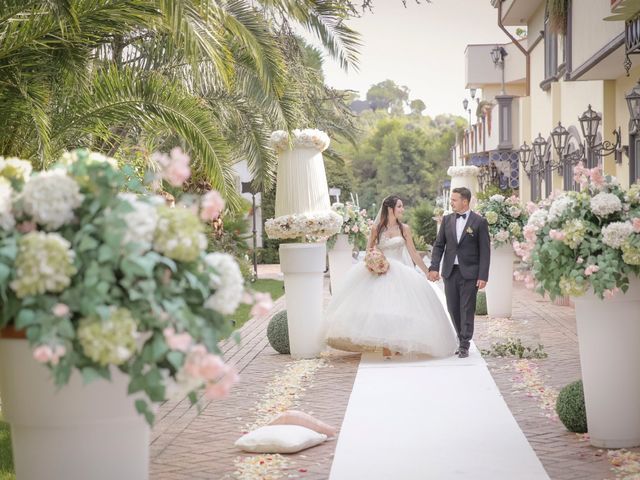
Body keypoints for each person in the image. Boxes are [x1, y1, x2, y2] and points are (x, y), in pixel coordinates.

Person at [324, 195, 457, 358]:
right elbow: (369, 251)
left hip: (400, 272)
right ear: (390, 209)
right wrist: (374, 262)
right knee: (381, 308)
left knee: (400, 308)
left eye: (402, 206)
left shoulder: (404, 229)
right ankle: (385, 344)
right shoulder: (376, 229)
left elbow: (413, 253)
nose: (402, 209)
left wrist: (427, 271)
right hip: (379, 271)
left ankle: (398, 342)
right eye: (399, 206)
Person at [428, 187, 490, 359]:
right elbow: (439, 245)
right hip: (450, 271)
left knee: (467, 308)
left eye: (454, 200)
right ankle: (459, 334)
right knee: (453, 307)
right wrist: (434, 266)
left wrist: (483, 275)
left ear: (465, 201)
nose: (451, 203)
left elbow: (485, 251)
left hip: (470, 272)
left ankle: (464, 343)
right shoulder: (447, 220)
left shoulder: (479, 222)